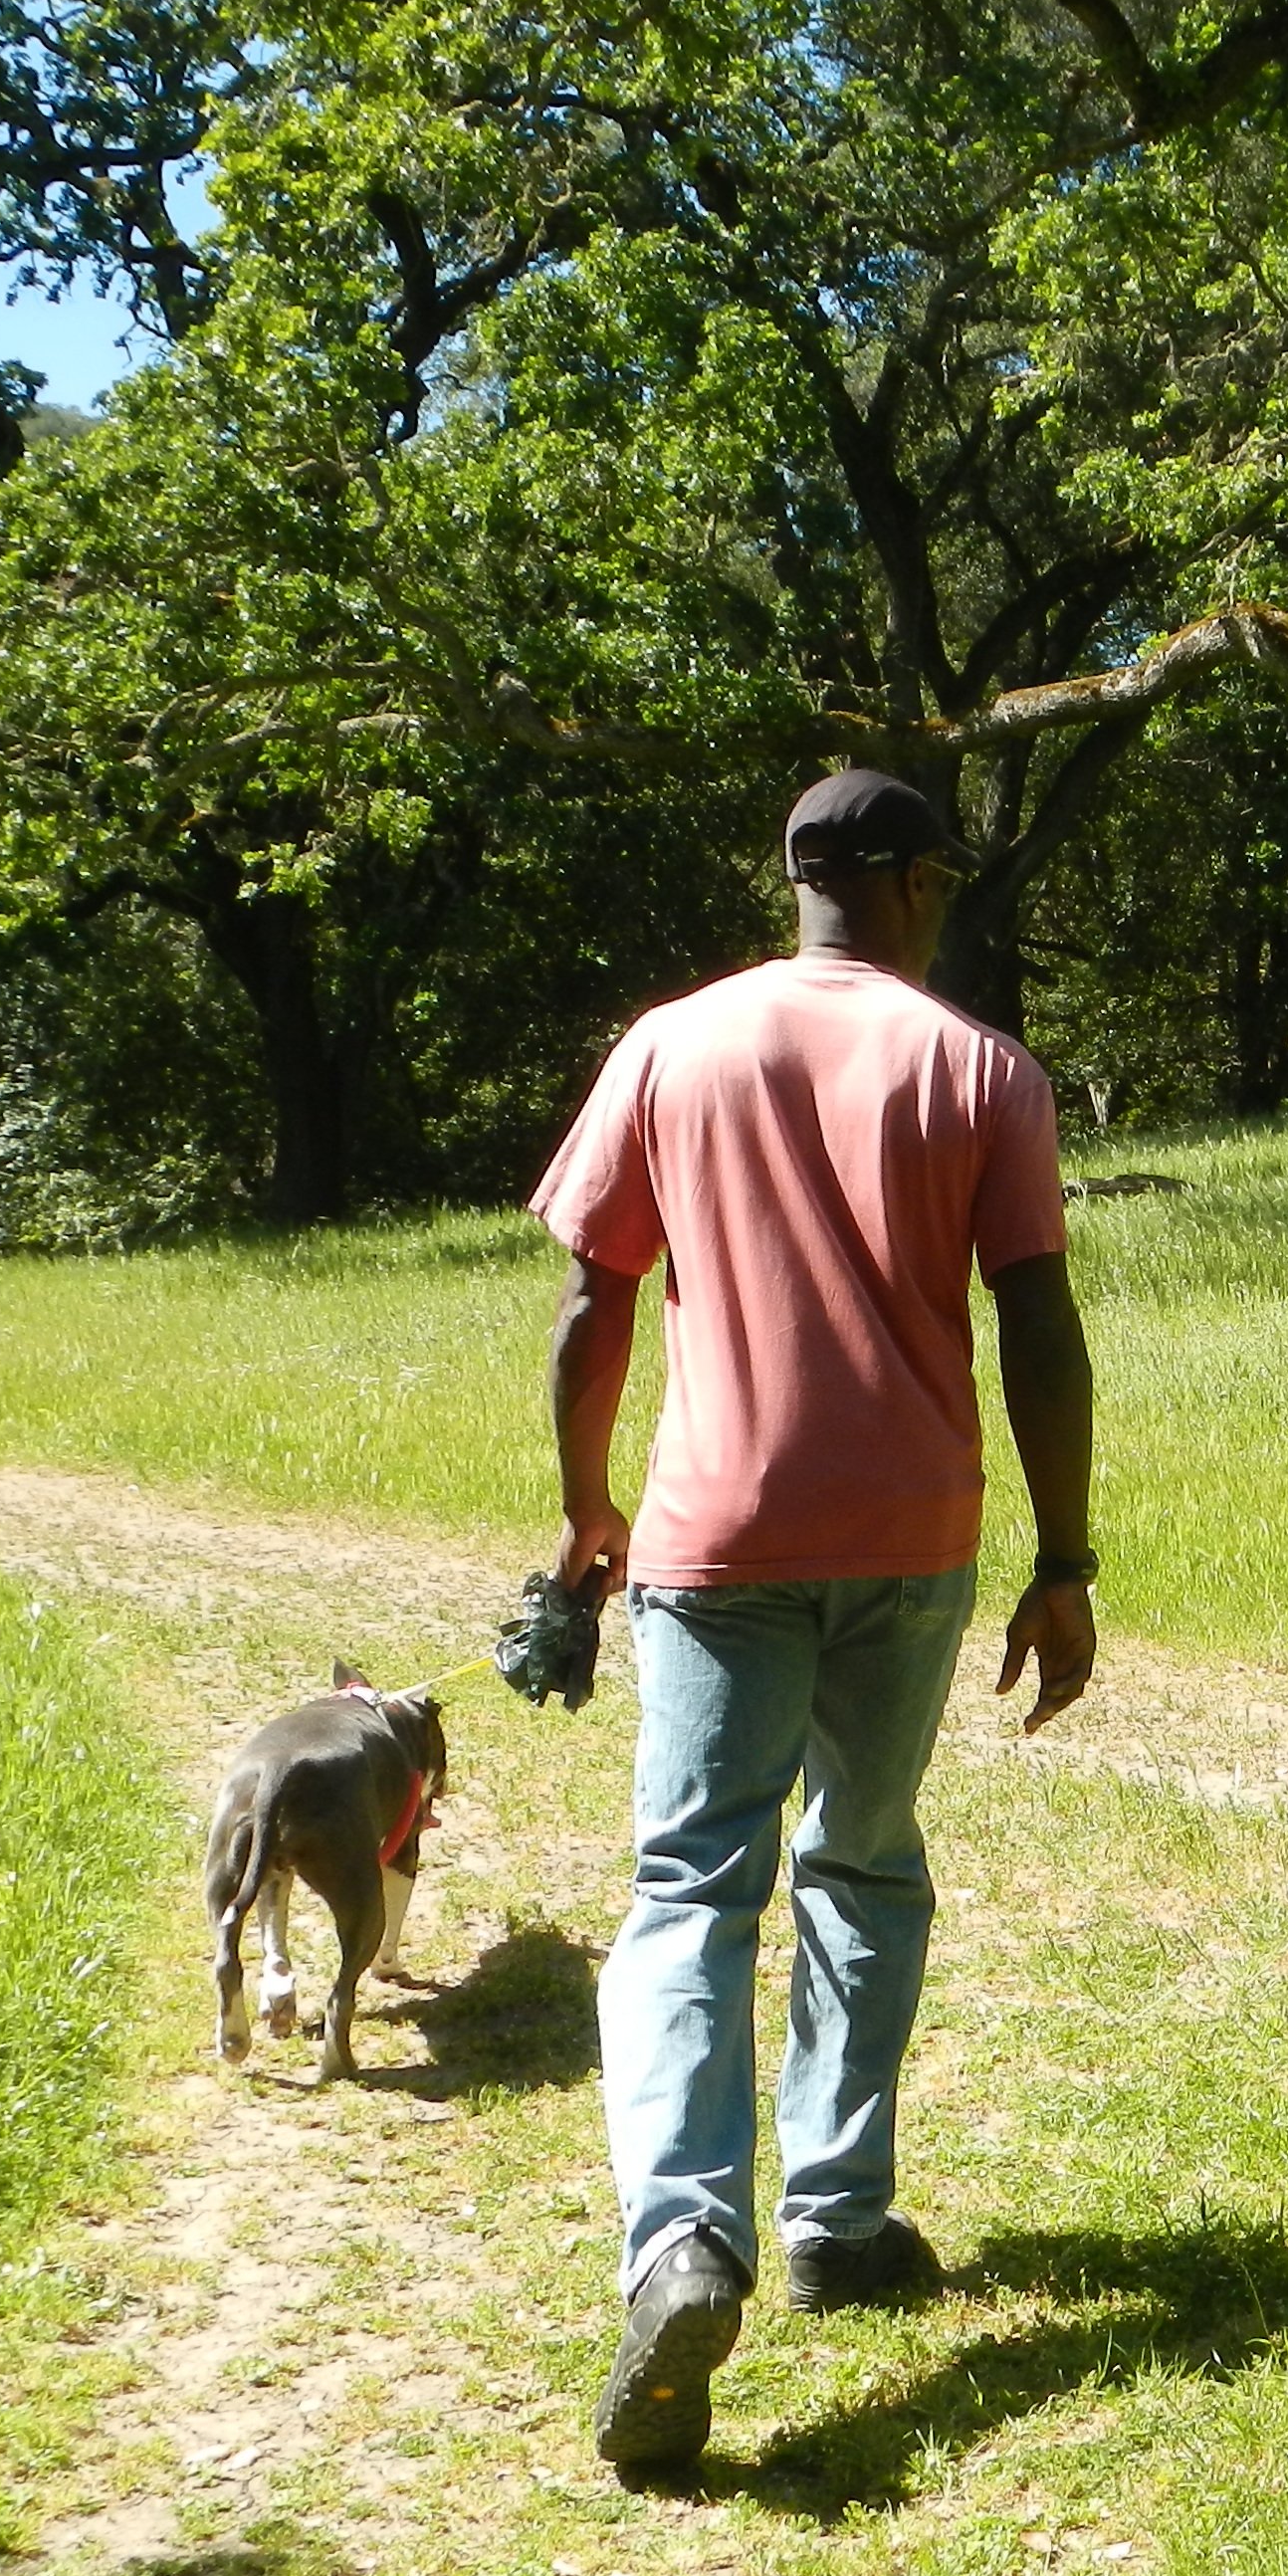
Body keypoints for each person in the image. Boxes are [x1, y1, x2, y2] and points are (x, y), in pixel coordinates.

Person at [529, 766, 1099, 2484]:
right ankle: (840, 2221)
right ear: (916, 884)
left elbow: (592, 1302)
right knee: (862, 1861)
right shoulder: (981, 1069)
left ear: (796, 881)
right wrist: (1065, 1555)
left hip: (718, 1537)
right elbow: (1040, 1323)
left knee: (691, 1888)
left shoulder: (669, 1046)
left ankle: (682, 2245)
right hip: (913, 1533)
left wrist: (588, 1510)